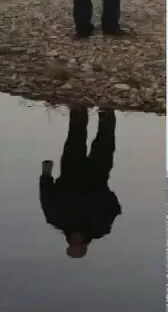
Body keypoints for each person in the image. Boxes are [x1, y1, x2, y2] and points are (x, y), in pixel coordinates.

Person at [39, 106, 120, 258]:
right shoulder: (100, 228)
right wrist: (105, 194)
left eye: (73, 244)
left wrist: (46, 174)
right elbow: (114, 208)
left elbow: (46, 196)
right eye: (79, 245)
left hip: (71, 173)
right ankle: (107, 109)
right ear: (85, 245)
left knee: (76, 135)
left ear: (68, 243)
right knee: (106, 140)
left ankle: (79, 106)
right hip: (97, 178)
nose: (76, 241)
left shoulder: (56, 219)